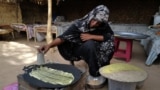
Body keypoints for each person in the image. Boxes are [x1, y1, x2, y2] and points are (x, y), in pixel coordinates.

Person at [38, 5, 115, 86]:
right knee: (90, 44)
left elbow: (110, 37)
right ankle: (94, 74)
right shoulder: (79, 24)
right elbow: (63, 38)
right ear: (92, 14)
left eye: (98, 23)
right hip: (79, 49)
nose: (94, 24)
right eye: (94, 20)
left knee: (109, 44)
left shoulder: (104, 26)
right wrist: (49, 45)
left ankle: (103, 67)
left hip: (95, 48)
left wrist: (91, 36)